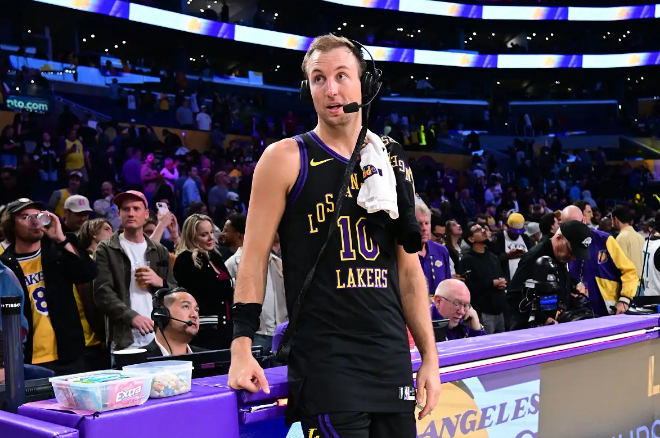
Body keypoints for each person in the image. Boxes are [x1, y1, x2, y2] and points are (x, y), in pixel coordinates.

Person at [227, 34, 440, 438]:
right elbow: (253, 259)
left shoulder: (390, 158)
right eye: (319, 79)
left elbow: (409, 271)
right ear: (307, 89)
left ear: (365, 84)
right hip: (327, 367)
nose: (331, 89)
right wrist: (241, 346)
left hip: (391, 361)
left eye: (342, 75)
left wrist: (429, 355)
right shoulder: (285, 159)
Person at [0, 198, 98, 374]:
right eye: (25, 217)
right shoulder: (5, 266)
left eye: (37, 215)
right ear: (11, 225)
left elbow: (87, 273)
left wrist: (60, 238)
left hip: (68, 354)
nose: (34, 222)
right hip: (27, 359)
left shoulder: (57, 254)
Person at [94, 191, 177, 353]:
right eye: (126, 209)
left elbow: (175, 291)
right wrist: (132, 316)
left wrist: (160, 282)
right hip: (124, 338)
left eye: (136, 209)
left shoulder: (159, 250)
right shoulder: (106, 249)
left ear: (146, 214)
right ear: (119, 214)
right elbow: (102, 294)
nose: (131, 213)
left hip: (160, 336)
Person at [508, 220, 593, 330]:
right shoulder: (535, 258)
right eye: (571, 251)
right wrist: (543, 318)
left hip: (556, 325)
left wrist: (574, 285)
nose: (573, 257)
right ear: (558, 238)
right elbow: (513, 295)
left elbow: (557, 280)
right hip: (530, 330)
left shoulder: (560, 255)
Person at [563, 205, 638, 316]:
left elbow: (629, 271)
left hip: (608, 313)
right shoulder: (562, 245)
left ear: (583, 221)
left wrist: (625, 299)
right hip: (577, 314)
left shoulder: (604, 240)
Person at [173, 214, 234, 350]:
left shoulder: (215, 257)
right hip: (204, 332)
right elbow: (192, 295)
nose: (211, 238)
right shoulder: (185, 260)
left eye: (211, 232)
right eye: (204, 234)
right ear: (192, 237)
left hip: (226, 329)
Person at [458, 222, 507, 334]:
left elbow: (501, 274)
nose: (483, 231)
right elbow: (469, 287)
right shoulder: (467, 260)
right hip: (483, 312)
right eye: (478, 230)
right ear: (471, 239)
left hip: (500, 311)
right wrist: (492, 284)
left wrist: (503, 282)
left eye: (483, 228)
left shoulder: (492, 256)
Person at [145, 288, 202, 357]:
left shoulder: (208, 357)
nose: (194, 315)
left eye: (196, 310)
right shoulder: (138, 360)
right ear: (162, 315)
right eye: (186, 306)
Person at [416, 201, 451, 295]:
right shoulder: (403, 253)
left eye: (427, 223)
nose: (424, 228)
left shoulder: (442, 251)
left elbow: (447, 286)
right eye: (419, 224)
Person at [611, 205, 645, 279]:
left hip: (629, 283)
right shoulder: (641, 237)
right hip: (641, 283)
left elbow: (619, 266)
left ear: (616, 219)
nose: (611, 222)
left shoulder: (621, 238)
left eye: (611, 219)